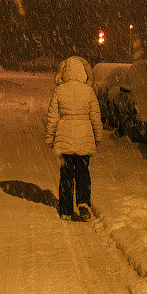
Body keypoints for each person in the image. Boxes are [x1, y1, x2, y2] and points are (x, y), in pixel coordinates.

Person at [45, 55, 103, 221]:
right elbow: (95, 117)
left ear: (65, 72)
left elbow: (52, 117)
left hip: (64, 137)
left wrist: (50, 137)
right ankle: (83, 204)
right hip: (84, 136)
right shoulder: (88, 91)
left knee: (66, 174)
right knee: (83, 173)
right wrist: (98, 136)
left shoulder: (59, 90)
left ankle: (66, 209)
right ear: (82, 73)